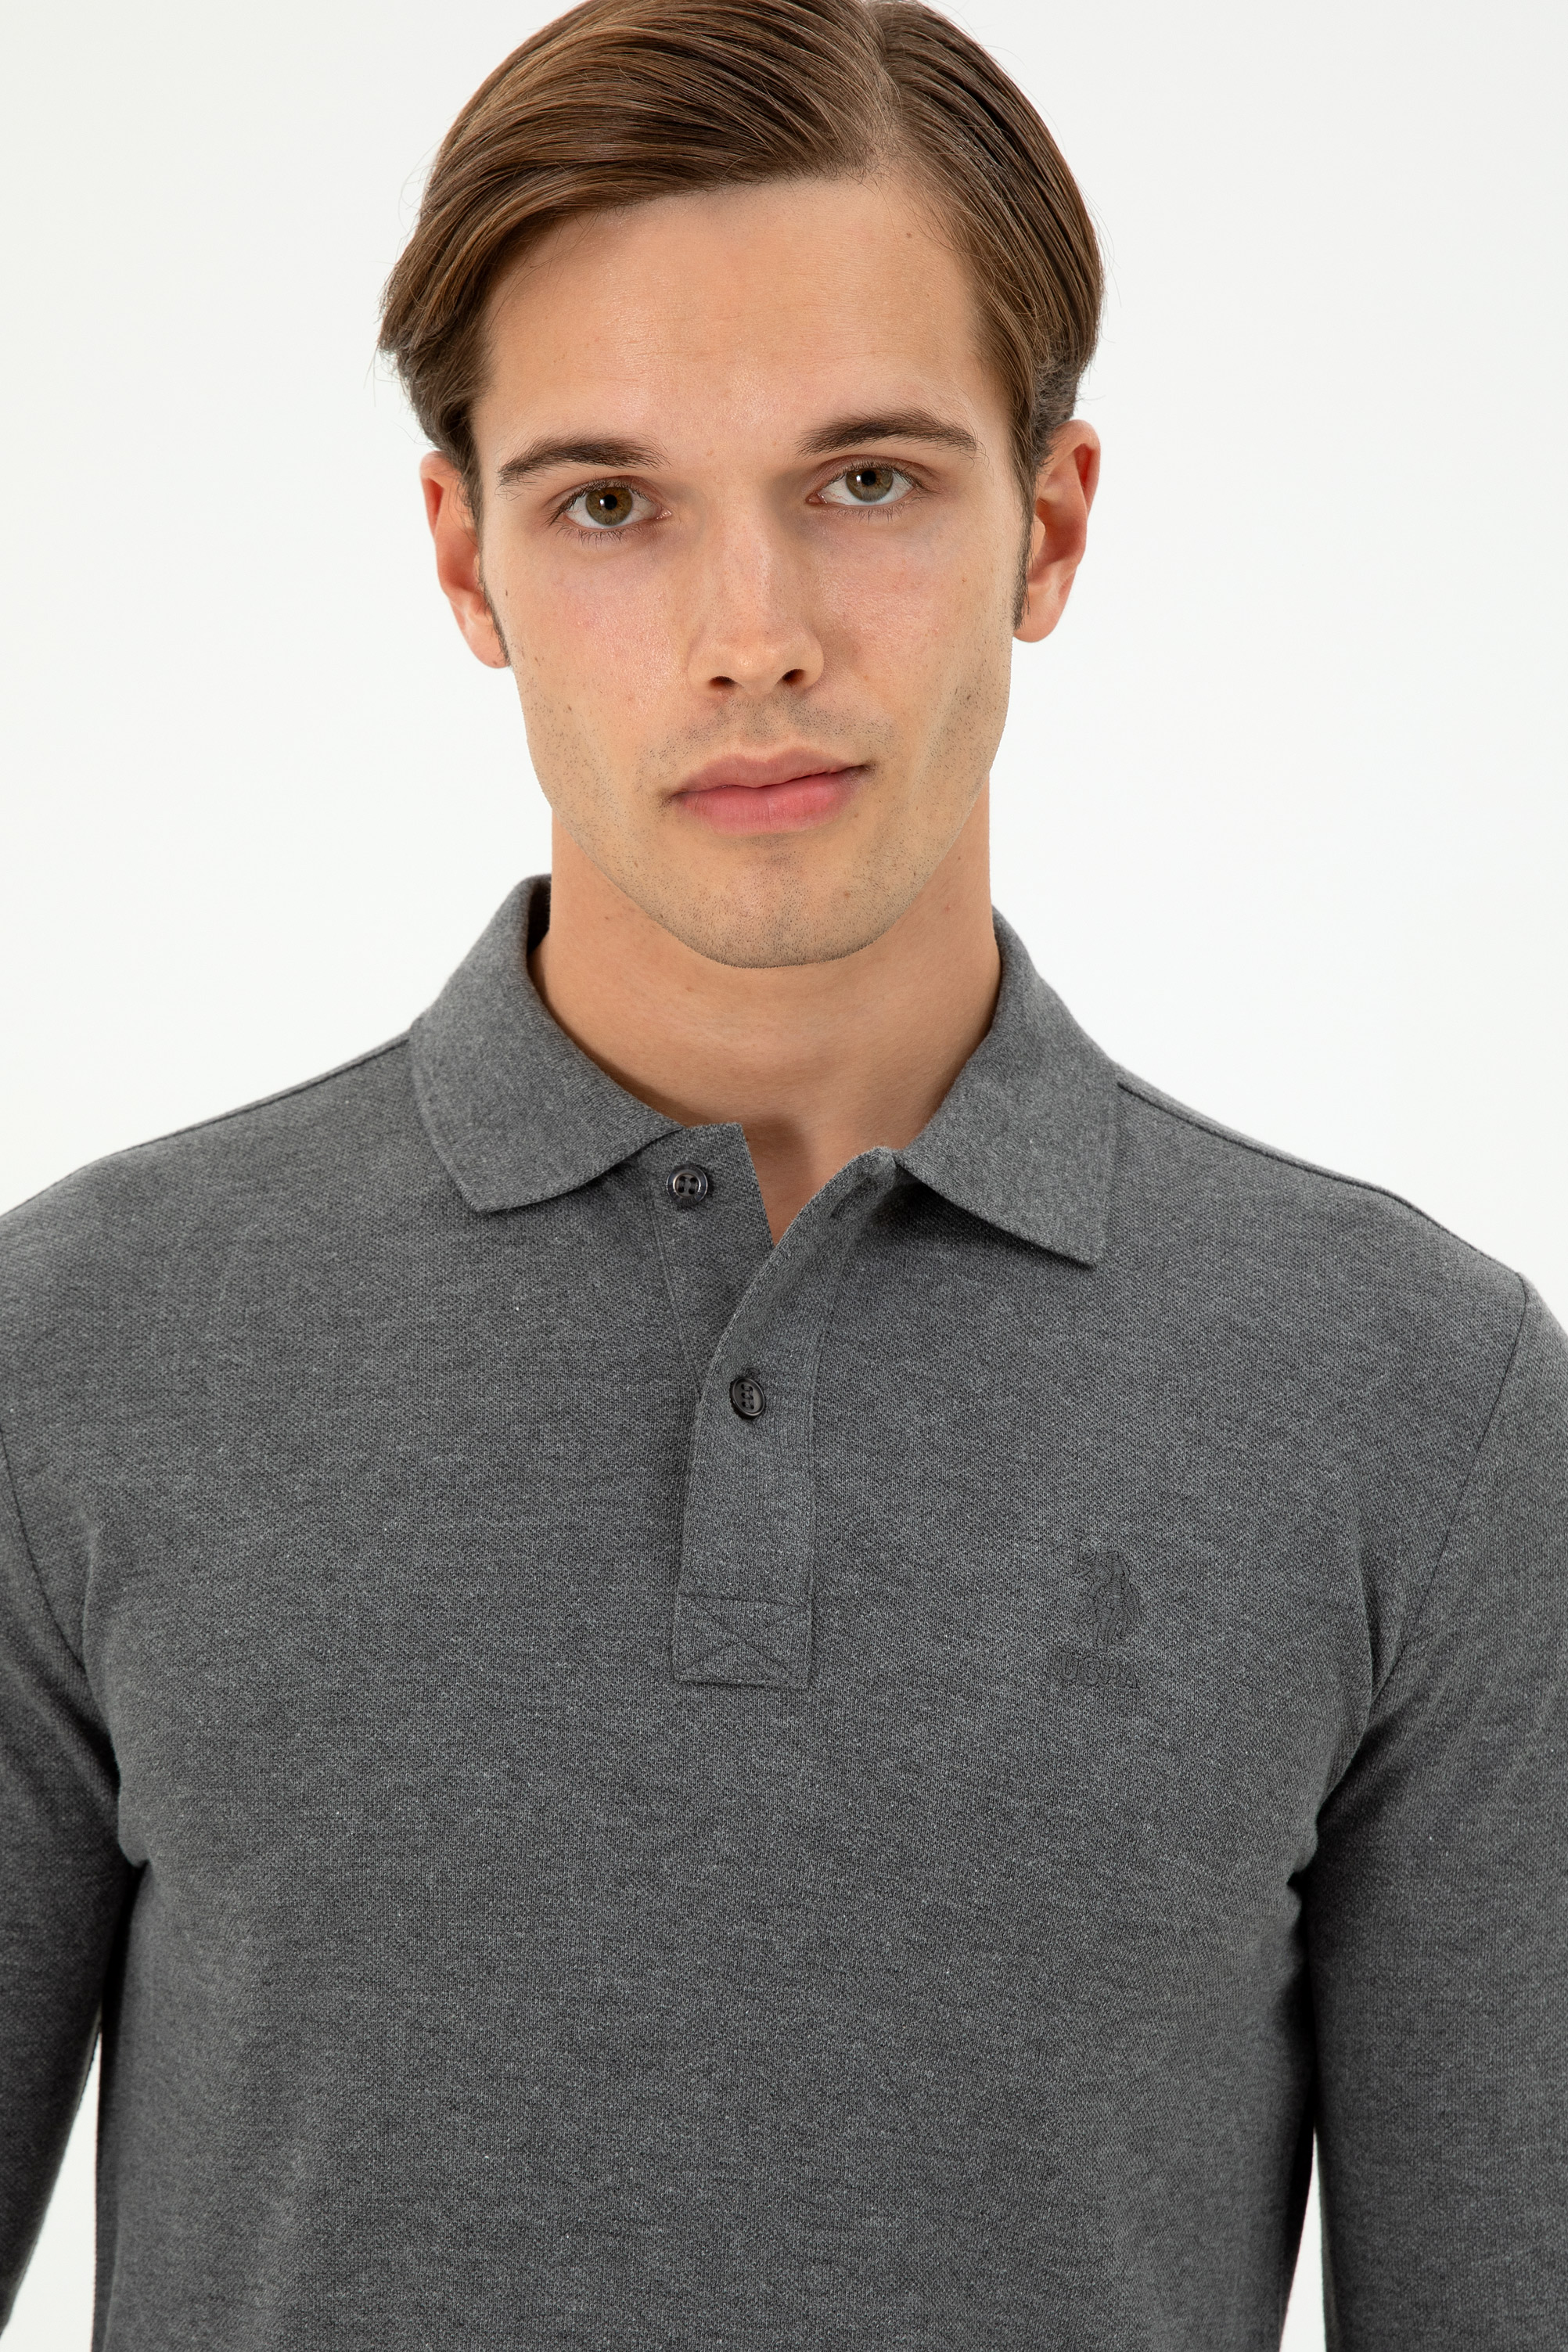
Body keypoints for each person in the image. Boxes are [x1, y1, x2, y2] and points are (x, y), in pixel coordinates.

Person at [2, 0, 1563, 2343]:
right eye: (609, 504)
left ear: (1049, 523)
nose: (753, 640)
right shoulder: (73, 1356)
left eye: (868, 482)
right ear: (465, 560)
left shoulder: (1418, 1407)